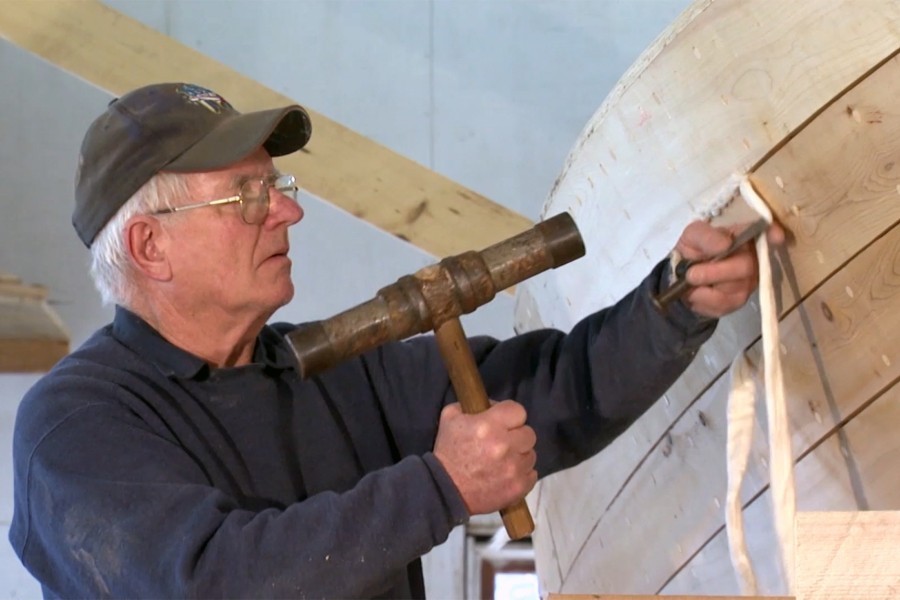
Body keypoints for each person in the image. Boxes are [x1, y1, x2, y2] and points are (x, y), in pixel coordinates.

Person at [9, 82, 782, 599]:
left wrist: (676, 300)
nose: (287, 213)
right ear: (150, 248)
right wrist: (442, 487)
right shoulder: (78, 426)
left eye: (278, 187)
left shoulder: (331, 371)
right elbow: (210, 580)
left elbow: (558, 391)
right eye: (248, 195)